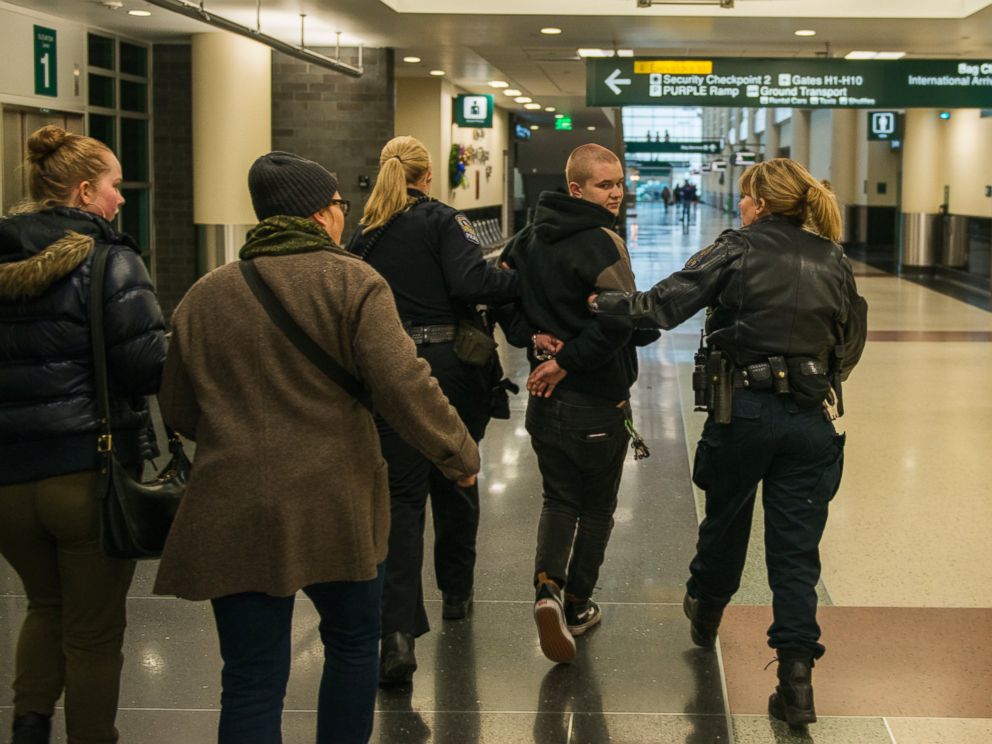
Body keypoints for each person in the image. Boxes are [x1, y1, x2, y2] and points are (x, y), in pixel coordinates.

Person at [153, 151, 480, 744]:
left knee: (250, 677)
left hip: (234, 503)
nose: (342, 215)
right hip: (337, 499)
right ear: (321, 213)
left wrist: (242, 434)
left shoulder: (204, 295)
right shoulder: (352, 282)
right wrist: (457, 454)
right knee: (354, 646)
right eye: (338, 205)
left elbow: (177, 409)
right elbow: (404, 385)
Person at [590, 158, 868, 726]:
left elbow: (665, 302)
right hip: (809, 420)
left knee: (726, 521)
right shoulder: (833, 259)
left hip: (742, 411)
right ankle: (796, 682)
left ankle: (706, 610)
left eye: (745, 197)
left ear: (761, 204)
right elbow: (851, 340)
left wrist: (600, 304)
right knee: (796, 554)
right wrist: (811, 375)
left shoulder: (737, 247)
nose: (740, 205)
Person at [0, 125, 167, 744]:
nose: (121, 199)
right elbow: (145, 367)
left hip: (8, 481)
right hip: (85, 472)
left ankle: (29, 727)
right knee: (93, 630)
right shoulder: (110, 260)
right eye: (114, 186)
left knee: (45, 605)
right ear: (82, 190)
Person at [346, 135, 517, 687]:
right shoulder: (445, 221)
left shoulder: (365, 234)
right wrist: (512, 275)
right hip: (448, 367)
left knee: (399, 499)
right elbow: (472, 282)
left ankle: (395, 634)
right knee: (457, 476)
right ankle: (457, 596)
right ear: (426, 175)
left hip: (388, 369)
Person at [499, 143, 658, 664]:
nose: (615, 194)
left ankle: (546, 588)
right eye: (604, 185)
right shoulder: (601, 243)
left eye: (618, 184)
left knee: (557, 499)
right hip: (596, 400)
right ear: (577, 188)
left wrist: (535, 339)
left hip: (547, 402)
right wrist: (568, 358)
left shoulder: (524, 240)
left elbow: (501, 298)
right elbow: (625, 323)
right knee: (596, 509)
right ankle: (576, 603)